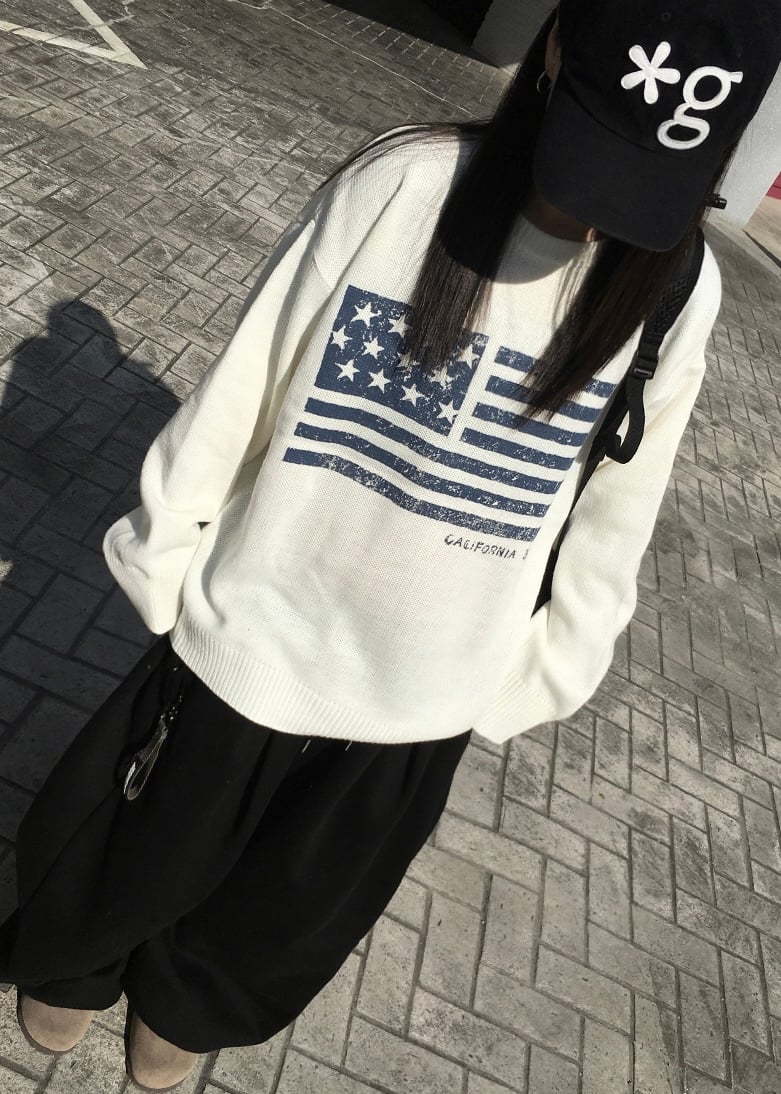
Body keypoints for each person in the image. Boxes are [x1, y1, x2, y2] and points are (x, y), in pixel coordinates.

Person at [1, 0, 779, 1089]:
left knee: (293, 901)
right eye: (596, 149)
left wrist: (542, 670)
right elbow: (254, 369)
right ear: (556, 49)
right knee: (143, 833)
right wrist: (167, 558)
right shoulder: (407, 184)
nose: (600, 214)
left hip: (428, 684)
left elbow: (620, 502)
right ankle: (80, 958)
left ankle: (190, 996)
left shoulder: (676, 288)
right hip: (259, 623)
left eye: (648, 181)